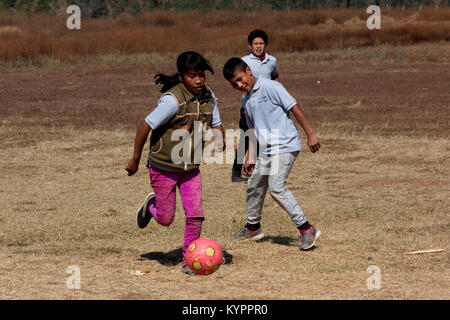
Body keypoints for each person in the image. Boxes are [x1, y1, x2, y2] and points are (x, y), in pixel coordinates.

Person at [126, 51, 225, 275]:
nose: (198, 80)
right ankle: (150, 207)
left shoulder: (209, 97)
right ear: (181, 77)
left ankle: (188, 261)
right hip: (164, 167)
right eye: (192, 76)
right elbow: (145, 125)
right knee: (166, 219)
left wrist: (220, 139)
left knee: (196, 214)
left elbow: (216, 124)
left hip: (190, 169)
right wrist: (135, 159)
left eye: (201, 75)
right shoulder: (172, 101)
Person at [223, 57, 321, 251]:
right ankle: (252, 228)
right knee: (254, 183)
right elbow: (252, 129)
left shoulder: (271, 87)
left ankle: (307, 229)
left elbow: (295, 108)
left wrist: (310, 134)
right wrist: (250, 156)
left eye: (241, 79)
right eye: (235, 84)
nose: (240, 85)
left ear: (249, 71)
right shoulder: (246, 100)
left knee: (276, 187)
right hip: (266, 149)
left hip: (285, 145)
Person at [232, 29, 279, 182]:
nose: (258, 46)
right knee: (247, 138)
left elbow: (275, 76)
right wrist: (242, 107)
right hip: (248, 107)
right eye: (255, 44)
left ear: (265, 45)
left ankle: (254, 170)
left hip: (266, 108)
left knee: (261, 139)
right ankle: (236, 172)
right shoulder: (244, 61)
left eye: (261, 43)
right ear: (249, 46)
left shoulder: (272, 61)